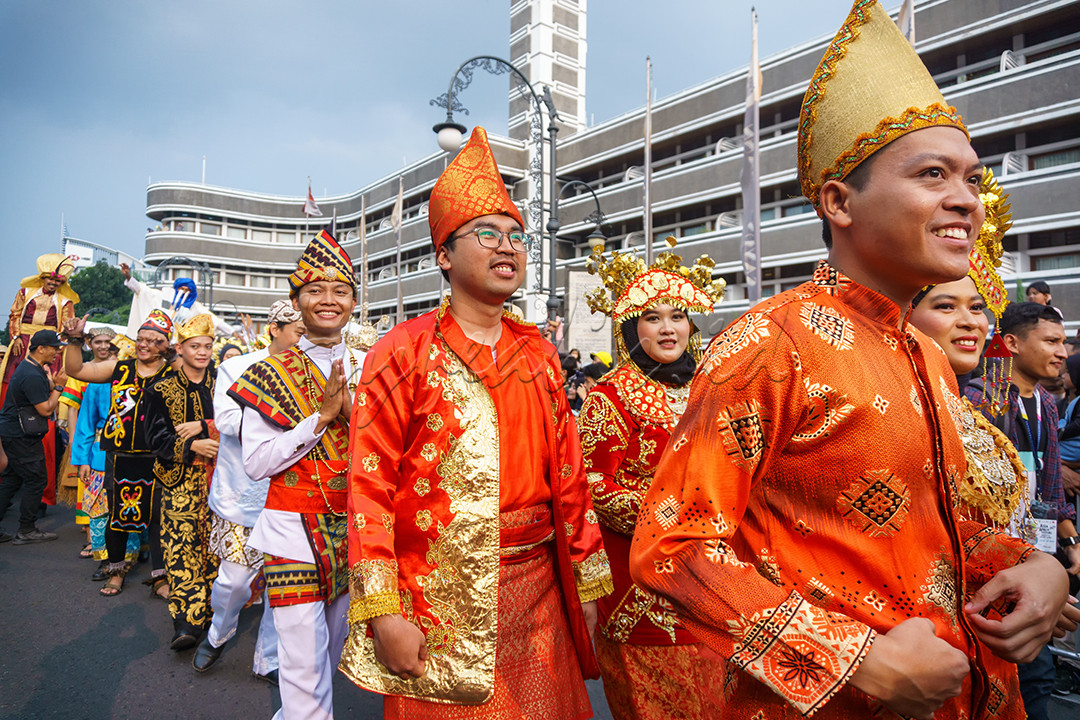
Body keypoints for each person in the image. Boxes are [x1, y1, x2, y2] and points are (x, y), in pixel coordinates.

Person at [629, 3, 1070, 718]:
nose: (966, 200)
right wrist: (852, 657)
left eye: (971, 179)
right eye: (932, 174)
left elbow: (946, 529)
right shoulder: (771, 343)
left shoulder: (924, 354)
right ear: (839, 201)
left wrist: (1034, 567)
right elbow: (673, 547)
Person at [340, 126, 611, 720]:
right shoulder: (403, 350)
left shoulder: (538, 352)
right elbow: (369, 487)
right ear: (444, 253)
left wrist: (588, 585)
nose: (507, 246)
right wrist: (384, 608)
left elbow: (570, 479)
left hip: (538, 588)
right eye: (486, 234)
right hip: (436, 595)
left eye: (517, 235)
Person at [577, 243, 726, 718]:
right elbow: (594, 484)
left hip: (717, 575)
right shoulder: (611, 395)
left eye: (678, 316)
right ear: (630, 329)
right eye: (653, 317)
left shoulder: (711, 387)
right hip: (643, 586)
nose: (668, 328)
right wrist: (677, 512)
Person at [229, 225, 365, 720]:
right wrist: (321, 420)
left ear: (353, 300)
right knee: (303, 668)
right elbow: (257, 462)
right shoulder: (268, 372)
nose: (328, 300)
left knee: (330, 659)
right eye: (315, 290)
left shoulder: (373, 367)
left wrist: (354, 414)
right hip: (291, 532)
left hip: (354, 531)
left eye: (340, 290)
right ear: (297, 301)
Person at [968, 301, 1080, 719]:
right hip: (992, 558)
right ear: (1011, 343)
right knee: (1023, 673)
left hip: (1038, 550)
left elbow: (1050, 481)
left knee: (1037, 672)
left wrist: (1068, 540)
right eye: (1051, 341)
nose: (1062, 352)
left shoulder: (1048, 404)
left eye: (1064, 342)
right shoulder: (984, 399)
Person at [192, 300, 305, 680]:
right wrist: (289, 422)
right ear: (275, 328)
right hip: (244, 492)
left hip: (293, 491)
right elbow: (225, 419)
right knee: (234, 580)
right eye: (299, 332)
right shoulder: (236, 367)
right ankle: (218, 632)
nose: (304, 340)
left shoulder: (311, 372)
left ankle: (269, 660)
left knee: (284, 586)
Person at [64, 308, 175, 597]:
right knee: (118, 516)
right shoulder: (119, 368)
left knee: (157, 519)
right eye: (141, 338)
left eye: (154, 340)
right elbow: (76, 370)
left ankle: (160, 579)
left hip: (159, 456)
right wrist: (75, 341)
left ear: (165, 345)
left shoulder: (174, 373)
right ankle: (116, 572)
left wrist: (174, 355)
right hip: (120, 455)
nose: (144, 344)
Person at [142, 313, 220, 650]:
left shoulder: (224, 384)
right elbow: (153, 437)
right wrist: (190, 447)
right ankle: (186, 621)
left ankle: (215, 616)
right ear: (180, 348)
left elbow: (242, 423)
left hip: (221, 479)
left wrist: (205, 426)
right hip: (180, 480)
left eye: (207, 346)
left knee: (215, 548)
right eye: (194, 346)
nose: (201, 352)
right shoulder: (160, 389)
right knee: (180, 547)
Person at [70, 339, 143, 581]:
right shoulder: (99, 384)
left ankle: (131, 555)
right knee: (100, 511)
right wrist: (82, 461)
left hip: (134, 455)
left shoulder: (144, 383)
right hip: (101, 455)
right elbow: (86, 423)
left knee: (130, 507)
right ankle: (107, 559)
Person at [0, 330, 67, 544]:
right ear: (41, 349)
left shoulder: (30, 368)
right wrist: (58, 387)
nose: (58, 352)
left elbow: (39, 391)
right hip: (21, 435)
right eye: (55, 348)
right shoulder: (30, 374)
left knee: (11, 480)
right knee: (36, 479)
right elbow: (46, 410)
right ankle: (27, 529)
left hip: (13, 432)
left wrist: (51, 382)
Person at [0, 255, 78, 405]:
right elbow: (15, 315)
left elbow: (66, 328)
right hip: (22, 344)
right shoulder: (25, 293)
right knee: (11, 377)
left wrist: (57, 349)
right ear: (43, 278)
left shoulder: (65, 302)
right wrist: (16, 337)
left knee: (49, 380)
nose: (53, 283)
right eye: (51, 279)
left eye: (58, 281)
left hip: (49, 347)